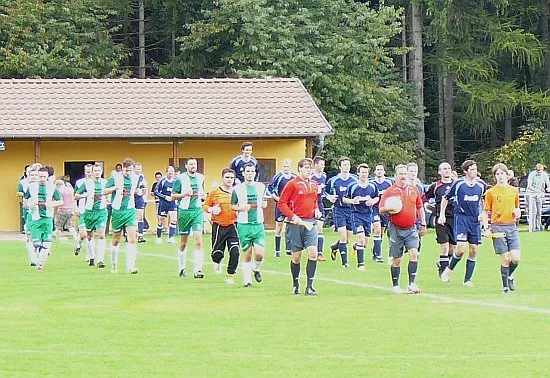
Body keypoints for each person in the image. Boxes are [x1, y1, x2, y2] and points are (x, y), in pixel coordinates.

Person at [438, 160, 487, 287]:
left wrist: (483, 213)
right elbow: (445, 198)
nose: (474, 172)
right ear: (465, 171)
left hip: (474, 221)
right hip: (461, 218)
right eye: (471, 170)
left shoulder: (481, 185)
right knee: (460, 249)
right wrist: (442, 214)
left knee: (474, 250)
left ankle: (467, 280)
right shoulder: (459, 184)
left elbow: (487, 198)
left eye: (475, 169)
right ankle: (448, 270)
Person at [379, 164, 426, 294]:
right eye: (401, 174)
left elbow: (419, 207)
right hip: (395, 229)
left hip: (411, 228)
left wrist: (423, 223)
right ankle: (395, 285)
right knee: (397, 259)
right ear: (395, 176)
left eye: (405, 174)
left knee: (414, 253)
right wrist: (390, 208)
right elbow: (381, 209)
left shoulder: (414, 189)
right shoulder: (390, 191)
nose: (403, 176)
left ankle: (412, 283)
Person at [278, 158, 322, 295]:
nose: (309, 170)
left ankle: (310, 286)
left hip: (310, 223)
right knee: (296, 257)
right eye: (306, 168)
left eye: (310, 168)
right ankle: (295, 283)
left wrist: (316, 209)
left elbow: (314, 201)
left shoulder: (314, 184)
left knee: (313, 253)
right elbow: (281, 203)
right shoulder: (292, 184)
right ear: (299, 169)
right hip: (295, 224)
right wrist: (293, 217)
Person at [481, 163, 521, 293]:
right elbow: (485, 211)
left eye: (502, 173)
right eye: (497, 174)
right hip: (498, 227)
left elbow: (517, 207)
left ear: (507, 175)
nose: (500, 176)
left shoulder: (514, 190)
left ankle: (510, 275)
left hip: (511, 226)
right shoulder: (491, 192)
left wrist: (518, 212)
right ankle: (504, 286)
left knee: (515, 258)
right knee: (504, 258)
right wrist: (486, 228)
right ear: (495, 176)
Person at [231, 163, 268, 287]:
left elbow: (265, 203)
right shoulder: (237, 189)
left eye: (252, 171)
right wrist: (242, 208)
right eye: (248, 171)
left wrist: (262, 204)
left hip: (258, 224)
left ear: (255, 173)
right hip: (244, 225)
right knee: (247, 253)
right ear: (243, 173)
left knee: (259, 254)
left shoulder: (261, 187)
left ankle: (256, 269)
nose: (250, 173)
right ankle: (247, 281)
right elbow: (232, 206)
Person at [202, 168, 239, 284]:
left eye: (231, 178)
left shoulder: (237, 192)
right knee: (217, 254)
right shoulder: (215, 192)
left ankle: (230, 275)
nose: (229, 180)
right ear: (222, 178)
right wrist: (212, 209)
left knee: (235, 251)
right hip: (219, 226)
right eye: (227, 177)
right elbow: (205, 205)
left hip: (233, 225)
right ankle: (217, 262)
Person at [103, 158, 139, 274]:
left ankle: (131, 266)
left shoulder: (136, 178)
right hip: (117, 211)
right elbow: (104, 191)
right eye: (126, 170)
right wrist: (115, 188)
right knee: (116, 239)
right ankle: (114, 265)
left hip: (130, 211)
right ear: (122, 168)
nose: (128, 173)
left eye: (130, 171)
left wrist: (138, 192)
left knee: (133, 239)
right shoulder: (115, 178)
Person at [171, 157, 206, 279]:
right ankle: (181, 268)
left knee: (198, 240)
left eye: (195, 164)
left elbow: (202, 194)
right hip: (184, 212)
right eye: (191, 164)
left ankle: (198, 270)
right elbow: (173, 195)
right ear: (186, 166)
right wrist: (185, 194)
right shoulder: (180, 179)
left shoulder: (201, 177)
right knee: (183, 242)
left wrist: (203, 198)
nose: (193, 166)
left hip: (197, 211)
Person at [23, 167, 63, 270]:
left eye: (44, 177)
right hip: (35, 218)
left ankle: (40, 265)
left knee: (47, 243)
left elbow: (60, 201)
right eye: (40, 176)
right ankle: (39, 252)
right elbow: (25, 199)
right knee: (36, 243)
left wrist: (52, 204)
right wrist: (29, 204)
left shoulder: (52, 187)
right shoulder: (31, 187)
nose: (42, 179)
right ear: (37, 176)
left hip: (47, 218)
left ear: (47, 177)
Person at [424, 162, 457, 278]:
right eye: (444, 169)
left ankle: (441, 262)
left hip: (455, 219)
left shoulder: (456, 185)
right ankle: (444, 273)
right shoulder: (436, 186)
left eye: (448, 168)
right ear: (440, 172)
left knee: (453, 249)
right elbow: (424, 198)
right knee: (444, 246)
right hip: (441, 219)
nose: (447, 170)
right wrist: (427, 206)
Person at [345, 164, 378, 271]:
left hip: (368, 215)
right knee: (361, 239)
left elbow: (377, 197)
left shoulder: (372, 186)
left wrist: (372, 201)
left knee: (365, 243)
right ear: (358, 173)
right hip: (356, 215)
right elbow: (344, 199)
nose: (364, 174)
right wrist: (352, 201)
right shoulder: (353, 186)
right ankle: (361, 264)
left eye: (366, 172)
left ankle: (355, 246)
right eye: (362, 172)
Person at [74, 163, 108, 268]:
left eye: (99, 170)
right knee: (89, 235)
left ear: (101, 172)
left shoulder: (105, 183)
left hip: (101, 212)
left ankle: (101, 260)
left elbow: (111, 192)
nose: (97, 173)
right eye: (95, 171)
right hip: (88, 212)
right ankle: (92, 257)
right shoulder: (86, 184)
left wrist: (109, 197)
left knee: (102, 235)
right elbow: (76, 196)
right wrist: (85, 195)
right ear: (92, 172)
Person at [326, 157, 357, 268]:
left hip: (351, 210)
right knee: (343, 236)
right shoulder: (333, 180)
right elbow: (326, 192)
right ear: (340, 167)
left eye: (348, 165)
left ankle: (335, 247)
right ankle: (345, 263)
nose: (346, 167)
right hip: (339, 210)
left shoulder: (354, 179)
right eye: (344, 165)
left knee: (348, 239)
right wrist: (330, 197)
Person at [267, 158, 296, 257]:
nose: (286, 168)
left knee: (291, 226)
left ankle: (289, 248)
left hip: (291, 206)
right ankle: (277, 250)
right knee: (279, 226)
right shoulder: (278, 177)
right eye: (284, 166)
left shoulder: (294, 177)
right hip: (281, 205)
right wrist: (276, 198)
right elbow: (269, 189)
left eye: (288, 166)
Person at [369, 164, 394, 263]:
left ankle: (375, 250)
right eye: (377, 169)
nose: (379, 171)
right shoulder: (371, 183)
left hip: (385, 209)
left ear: (384, 171)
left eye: (381, 169)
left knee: (381, 232)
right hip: (374, 209)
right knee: (377, 229)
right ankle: (378, 256)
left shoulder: (389, 183)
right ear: (375, 171)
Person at [18, 165, 39, 266]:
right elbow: (24, 198)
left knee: (40, 239)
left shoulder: (46, 185)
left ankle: (40, 253)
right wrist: (29, 205)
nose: (34, 176)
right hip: (29, 213)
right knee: (29, 235)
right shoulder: (24, 183)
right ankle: (33, 258)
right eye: (32, 174)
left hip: (43, 215)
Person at [74, 164, 94, 259]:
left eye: (90, 171)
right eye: (87, 171)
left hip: (94, 211)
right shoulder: (79, 182)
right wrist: (75, 208)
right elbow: (74, 197)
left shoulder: (97, 182)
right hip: (83, 210)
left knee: (90, 234)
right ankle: (78, 243)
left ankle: (89, 255)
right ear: (85, 171)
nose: (89, 173)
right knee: (83, 234)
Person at [155, 166, 178, 244]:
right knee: (161, 221)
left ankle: (171, 237)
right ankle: (158, 237)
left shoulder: (176, 182)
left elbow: (178, 191)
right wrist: (165, 197)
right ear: (166, 172)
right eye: (169, 172)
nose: (171, 174)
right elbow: (156, 192)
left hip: (172, 203)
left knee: (174, 219)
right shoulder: (162, 181)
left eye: (172, 172)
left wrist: (176, 197)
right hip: (163, 203)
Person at [311, 156, 327, 261]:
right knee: (311, 229)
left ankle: (319, 253)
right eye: (321, 164)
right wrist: (317, 189)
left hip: (319, 204)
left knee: (320, 228)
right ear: (315, 164)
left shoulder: (324, 176)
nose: (323, 166)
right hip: (310, 204)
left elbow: (324, 191)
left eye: (323, 164)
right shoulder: (310, 176)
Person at [526, 163, 550, 232]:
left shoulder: (544, 175)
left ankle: (539, 227)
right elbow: (529, 186)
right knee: (534, 211)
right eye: (538, 171)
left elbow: (548, 183)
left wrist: (548, 188)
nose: (539, 173)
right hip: (531, 195)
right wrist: (538, 191)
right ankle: (533, 227)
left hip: (539, 195)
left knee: (539, 211)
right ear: (536, 170)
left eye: (541, 171)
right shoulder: (532, 174)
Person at [134, 162, 148, 243]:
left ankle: (140, 235)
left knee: (140, 216)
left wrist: (141, 192)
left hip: (139, 198)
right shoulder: (131, 177)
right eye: (137, 169)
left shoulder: (142, 178)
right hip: (131, 198)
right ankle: (127, 234)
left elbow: (145, 189)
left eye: (139, 169)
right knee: (130, 216)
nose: (138, 170)